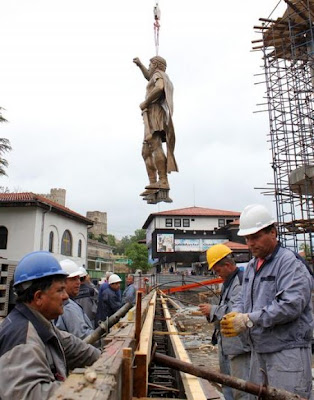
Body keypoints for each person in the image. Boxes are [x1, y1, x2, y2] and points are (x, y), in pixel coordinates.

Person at [221, 204, 313, 399]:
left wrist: (248, 320)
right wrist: (235, 313)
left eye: (255, 237)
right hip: (259, 351)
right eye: (247, 239)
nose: (250, 244)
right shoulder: (253, 266)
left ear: (273, 233)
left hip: (287, 353)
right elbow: (244, 300)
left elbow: (291, 305)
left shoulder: (290, 263)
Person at [0, 251, 100, 400]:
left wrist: (105, 359)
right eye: (60, 290)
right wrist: (84, 387)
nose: (65, 296)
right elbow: (29, 394)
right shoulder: (24, 340)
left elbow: (71, 345)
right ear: (39, 297)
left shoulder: (38, 323)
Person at [199, 244, 250, 400]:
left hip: (239, 346)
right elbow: (225, 307)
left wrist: (212, 310)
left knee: (241, 388)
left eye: (218, 270)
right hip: (226, 343)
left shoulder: (240, 283)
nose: (217, 274)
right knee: (227, 383)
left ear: (227, 265)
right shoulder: (228, 282)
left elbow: (235, 312)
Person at [133, 55, 178, 194]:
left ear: (156, 65)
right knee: (146, 151)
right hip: (152, 113)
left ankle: (163, 180)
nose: (149, 67)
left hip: (155, 113)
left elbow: (159, 88)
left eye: (149, 64)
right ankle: (153, 183)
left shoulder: (159, 75)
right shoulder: (159, 75)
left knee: (155, 144)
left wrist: (146, 102)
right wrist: (140, 65)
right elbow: (150, 77)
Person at [55, 259, 94, 340]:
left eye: (78, 278)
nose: (78, 282)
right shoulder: (68, 307)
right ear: (61, 282)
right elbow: (83, 337)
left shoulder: (70, 302)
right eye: (73, 279)